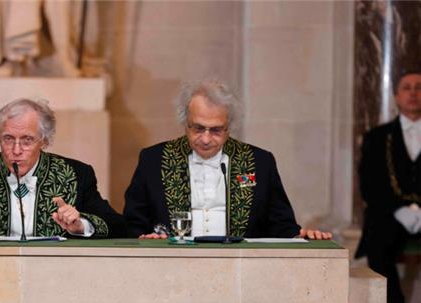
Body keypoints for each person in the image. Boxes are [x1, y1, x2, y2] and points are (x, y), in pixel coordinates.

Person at [124, 79, 331, 241]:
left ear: (229, 126)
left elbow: (280, 223)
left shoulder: (259, 163)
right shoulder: (154, 160)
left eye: (215, 130)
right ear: (184, 122)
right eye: (198, 128)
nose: (205, 139)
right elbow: (133, 222)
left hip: (241, 272)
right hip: (170, 267)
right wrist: (146, 238)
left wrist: (300, 236)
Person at [0, 97, 125, 240]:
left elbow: (119, 226)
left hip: (57, 274)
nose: (16, 150)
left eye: (27, 140)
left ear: (44, 140)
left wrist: (80, 225)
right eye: (8, 139)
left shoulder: (76, 174)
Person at [355, 69, 421, 303]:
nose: (414, 93)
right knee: (377, 241)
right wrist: (400, 210)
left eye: (419, 87)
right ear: (396, 96)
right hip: (391, 213)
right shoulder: (377, 137)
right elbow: (369, 184)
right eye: (407, 87)